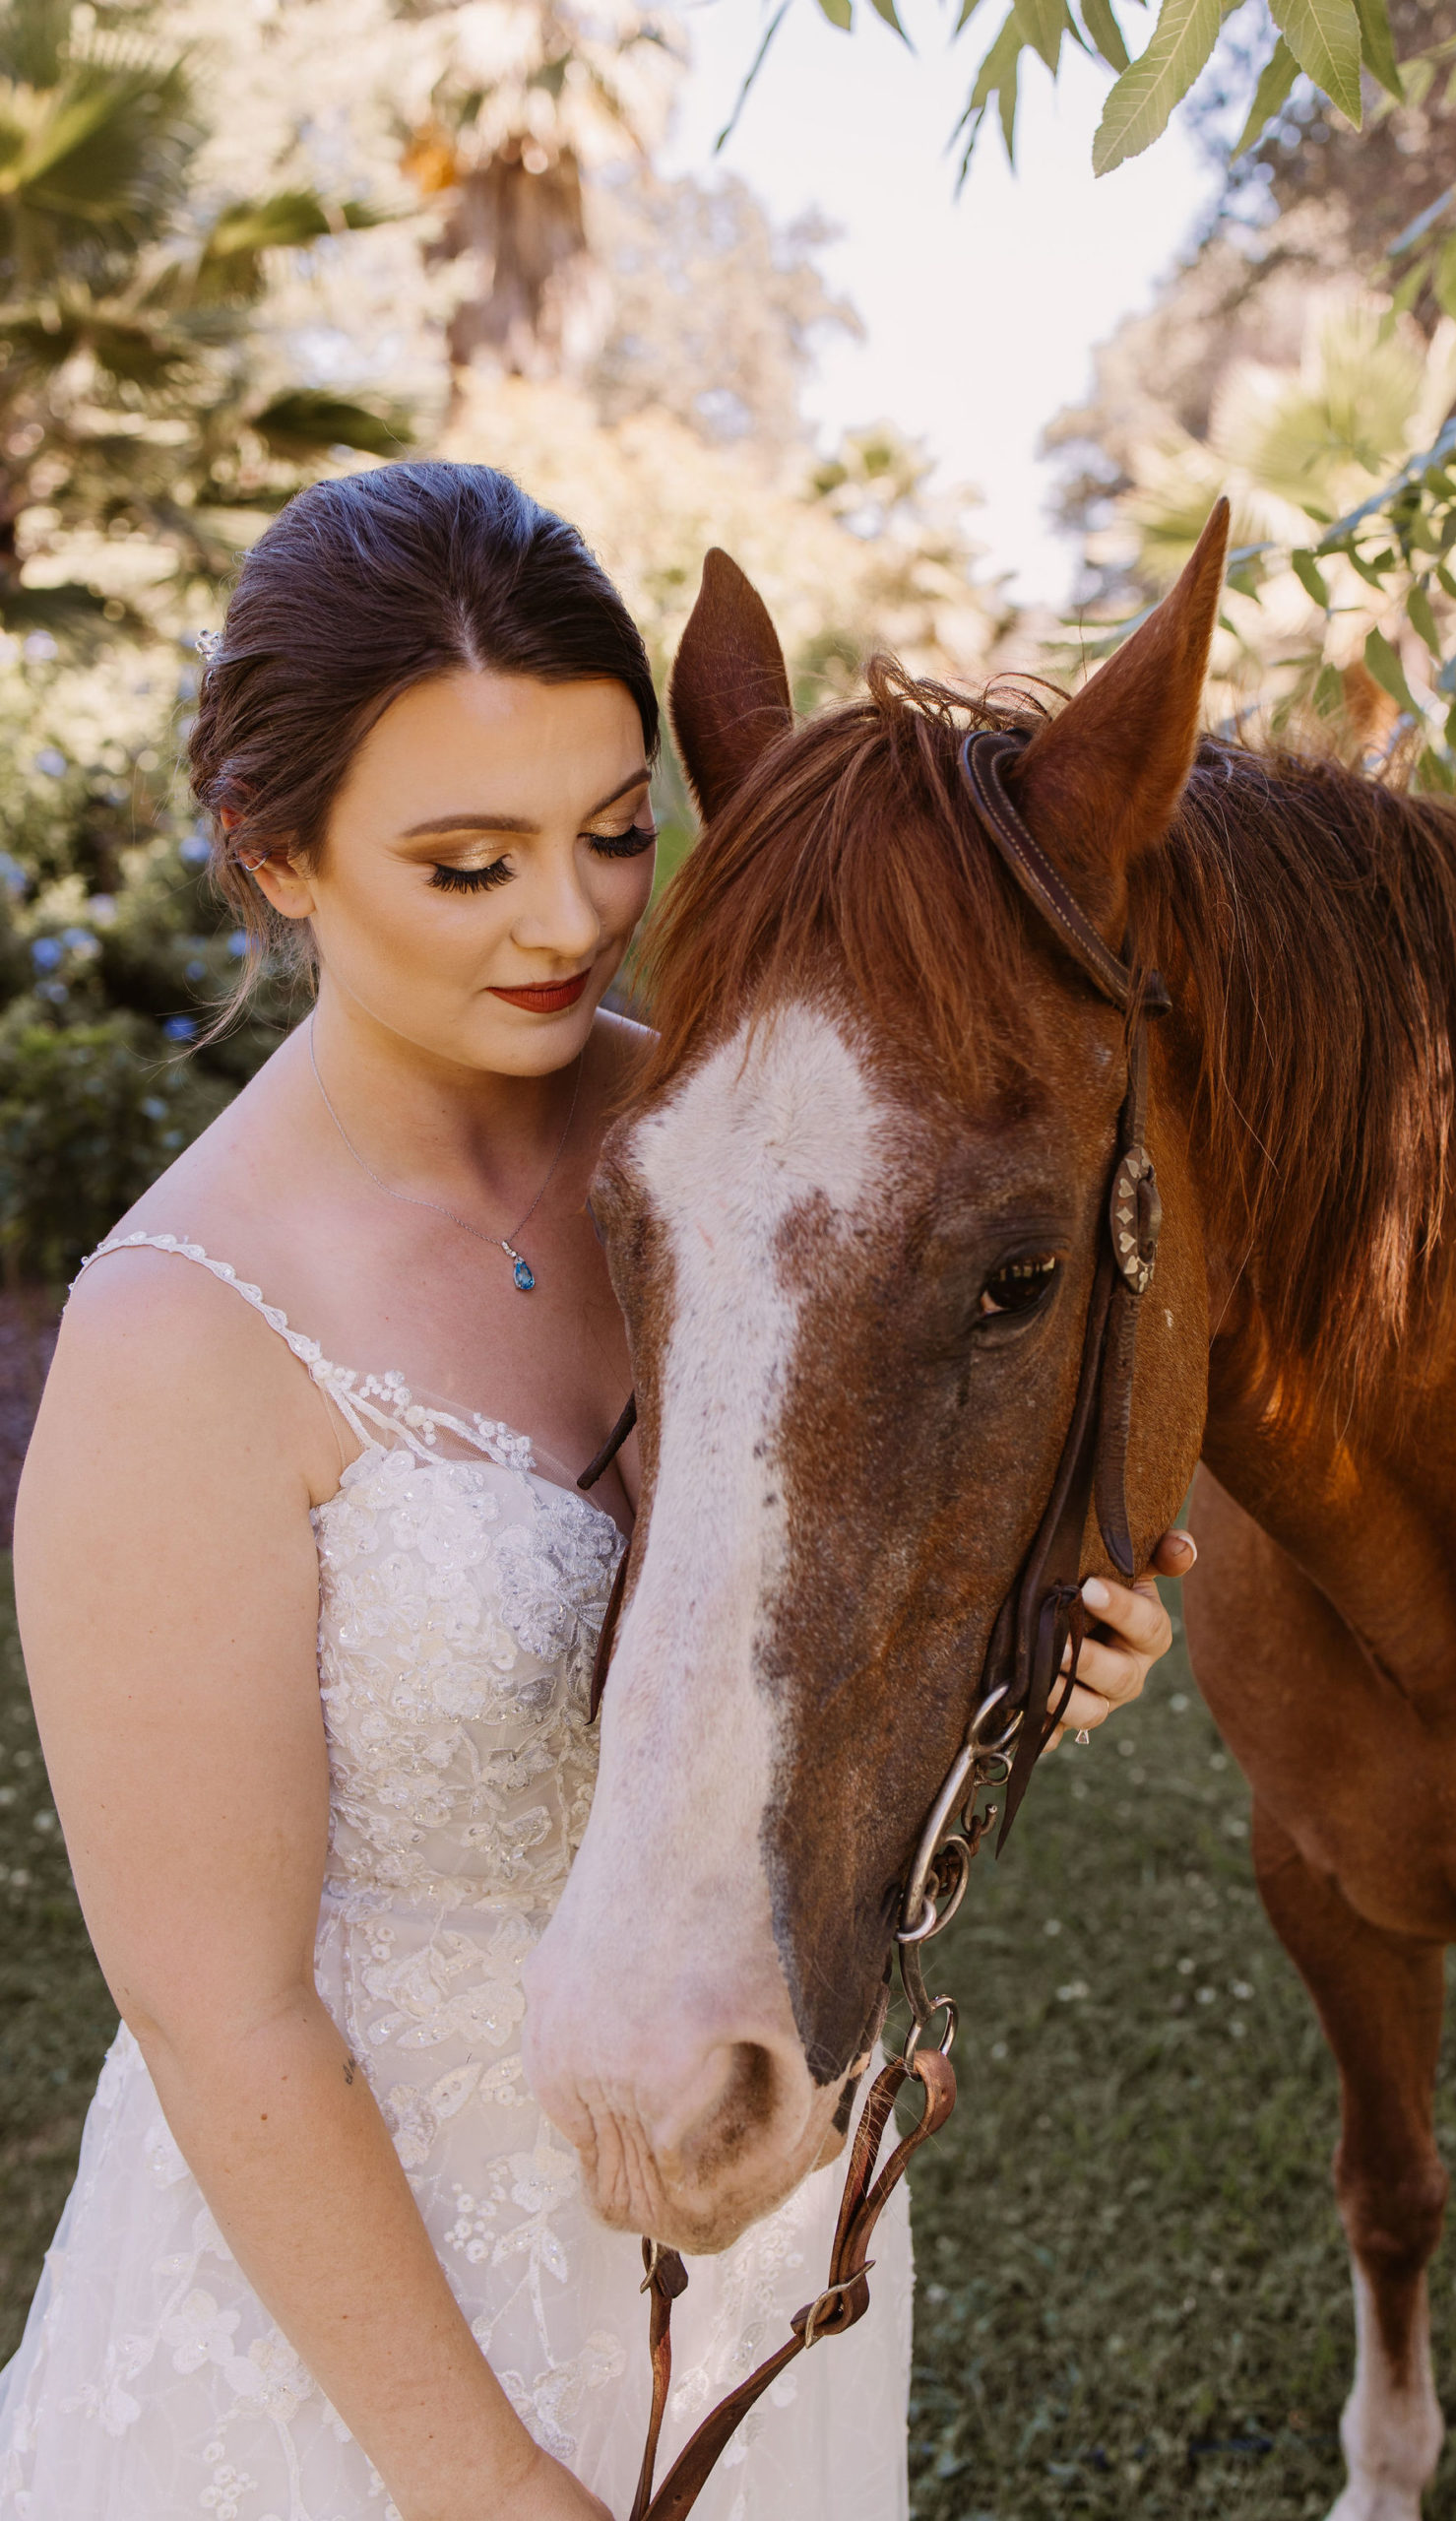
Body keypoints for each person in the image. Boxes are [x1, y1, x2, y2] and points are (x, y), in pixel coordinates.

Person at [0, 461, 1193, 2521]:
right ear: (272, 854)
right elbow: (220, 2011)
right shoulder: (178, 1332)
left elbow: (833, 1572)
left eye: (615, 832)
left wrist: (1046, 1655)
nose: (566, 919)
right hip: (370, 2311)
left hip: (744, 2179)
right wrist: (480, 2482)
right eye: (466, 863)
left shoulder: (727, 1149)